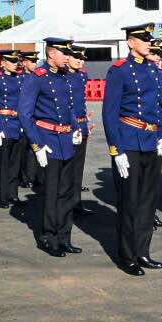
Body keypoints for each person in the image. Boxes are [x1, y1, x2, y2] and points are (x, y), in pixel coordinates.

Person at [102, 24, 162, 275]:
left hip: (151, 141)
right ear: (131, 42)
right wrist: (115, 149)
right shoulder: (119, 71)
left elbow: (160, 107)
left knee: (147, 202)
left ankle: (143, 252)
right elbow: (110, 113)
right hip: (128, 141)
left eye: (149, 40)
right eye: (143, 39)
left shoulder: (154, 69)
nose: (148, 43)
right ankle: (128, 256)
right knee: (129, 202)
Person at [19, 37, 79, 258]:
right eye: (64, 53)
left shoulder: (65, 78)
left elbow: (68, 108)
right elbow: (25, 114)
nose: (68, 57)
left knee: (66, 193)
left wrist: (75, 127)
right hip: (48, 141)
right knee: (52, 194)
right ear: (51, 54)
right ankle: (48, 237)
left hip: (66, 141)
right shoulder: (37, 78)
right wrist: (37, 144)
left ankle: (64, 237)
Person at [0, 49, 25, 207]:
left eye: (16, 61)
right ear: (3, 63)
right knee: (3, 164)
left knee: (15, 163)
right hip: (3, 123)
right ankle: (2, 195)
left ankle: (13, 194)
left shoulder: (20, 78)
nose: (15, 64)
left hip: (17, 123)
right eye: (11, 61)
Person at [66, 44, 93, 216]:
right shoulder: (62, 76)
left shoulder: (83, 76)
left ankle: (76, 202)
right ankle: (65, 204)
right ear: (67, 57)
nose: (81, 61)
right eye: (78, 57)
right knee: (66, 168)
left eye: (83, 58)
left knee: (78, 167)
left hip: (81, 125)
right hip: (68, 126)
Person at [145, 39, 162, 229]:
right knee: (142, 179)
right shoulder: (140, 74)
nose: (156, 58)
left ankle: (151, 213)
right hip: (140, 131)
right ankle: (143, 215)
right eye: (153, 54)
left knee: (154, 176)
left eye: (158, 55)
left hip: (156, 130)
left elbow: (161, 106)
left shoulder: (160, 75)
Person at [18, 50, 41, 189]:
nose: (34, 64)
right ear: (24, 63)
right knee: (23, 150)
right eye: (32, 61)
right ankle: (24, 177)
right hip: (22, 118)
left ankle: (34, 176)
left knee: (35, 148)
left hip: (35, 119)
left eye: (35, 61)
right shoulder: (20, 78)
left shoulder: (37, 78)